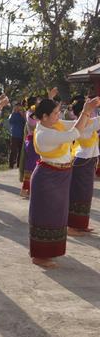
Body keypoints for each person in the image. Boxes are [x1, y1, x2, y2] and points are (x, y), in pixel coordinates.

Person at [29, 97, 99, 268]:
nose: (58, 115)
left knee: (57, 217)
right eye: (55, 113)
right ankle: (39, 255)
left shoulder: (54, 125)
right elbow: (73, 134)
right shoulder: (44, 133)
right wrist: (85, 111)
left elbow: (85, 126)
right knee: (46, 217)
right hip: (47, 178)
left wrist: (88, 114)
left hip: (60, 176)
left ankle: (49, 252)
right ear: (44, 116)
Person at [67, 96, 100, 235]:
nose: (93, 112)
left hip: (87, 161)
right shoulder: (83, 125)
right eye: (90, 110)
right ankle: (72, 226)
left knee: (85, 195)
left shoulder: (87, 123)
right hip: (82, 161)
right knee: (79, 194)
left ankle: (81, 224)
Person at [8, 103, 26, 169]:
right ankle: (11, 165)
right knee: (13, 150)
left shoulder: (23, 114)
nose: (18, 108)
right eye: (17, 107)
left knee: (21, 151)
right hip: (14, 135)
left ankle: (19, 165)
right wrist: (13, 113)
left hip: (22, 135)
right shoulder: (13, 114)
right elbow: (10, 121)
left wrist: (23, 115)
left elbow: (27, 122)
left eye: (19, 107)